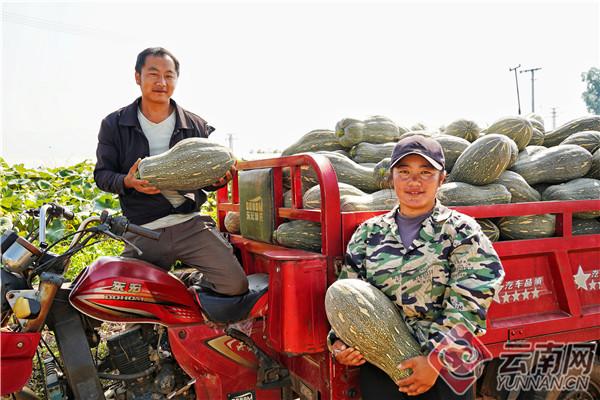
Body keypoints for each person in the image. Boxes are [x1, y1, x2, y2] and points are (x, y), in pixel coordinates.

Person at [328, 135, 505, 399]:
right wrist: (340, 344)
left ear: (441, 178)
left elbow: (471, 300)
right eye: (404, 172)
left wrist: (434, 360)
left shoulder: (461, 231)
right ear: (391, 177)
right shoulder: (368, 234)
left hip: (446, 368)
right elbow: (348, 294)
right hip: (383, 367)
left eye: (426, 172)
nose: (414, 181)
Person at [94, 47, 248, 296]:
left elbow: (204, 179)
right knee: (130, 304)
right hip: (143, 228)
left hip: (191, 225)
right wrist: (128, 182)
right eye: (153, 73)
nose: (161, 82)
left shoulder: (195, 124)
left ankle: (186, 282)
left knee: (235, 285)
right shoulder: (114, 124)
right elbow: (102, 174)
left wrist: (218, 181)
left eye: (169, 75)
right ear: (137, 77)